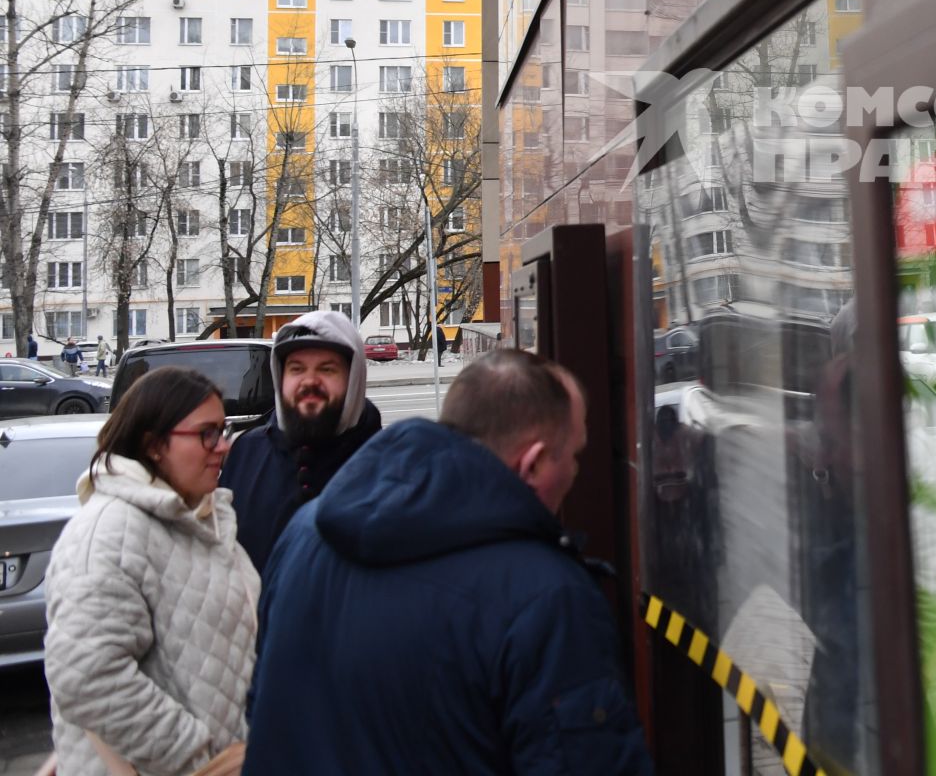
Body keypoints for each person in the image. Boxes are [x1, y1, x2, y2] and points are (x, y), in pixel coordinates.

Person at [244, 351, 652, 774]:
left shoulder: (304, 533)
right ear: (532, 464)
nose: (574, 471)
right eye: (574, 455)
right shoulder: (548, 598)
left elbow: (264, 707)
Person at [42, 367, 255, 776]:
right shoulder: (111, 531)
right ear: (154, 445)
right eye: (207, 433)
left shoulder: (202, 519)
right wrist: (200, 759)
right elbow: (86, 678)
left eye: (223, 431)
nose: (223, 446)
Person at [218, 310, 381, 573]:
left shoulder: (386, 465)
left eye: (327, 369)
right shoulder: (246, 453)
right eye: (296, 369)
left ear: (353, 379)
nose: (309, 381)